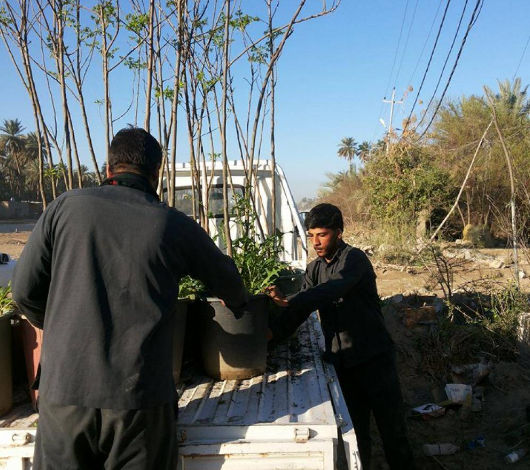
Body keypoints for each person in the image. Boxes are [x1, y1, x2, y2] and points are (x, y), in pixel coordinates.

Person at [12, 127, 248, 470]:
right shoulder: (173, 224)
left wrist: (62, 325)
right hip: (139, 400)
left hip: (64, 394)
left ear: (109, 169)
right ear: (156, 173)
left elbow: (23, 290)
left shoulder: (65, 208)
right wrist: (238, 304)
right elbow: (229, 281)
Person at [267, 203, 416, 470]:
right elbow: (301, 309)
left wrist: (289, 300)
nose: (315, 242)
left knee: (393, 432)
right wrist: (270, 336)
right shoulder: (314, 269)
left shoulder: (354, 260)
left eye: (322, 234)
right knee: (356, 437)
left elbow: (333, 289)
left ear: (339, 232)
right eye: (311, 235)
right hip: (343, 366)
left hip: (374, 359)